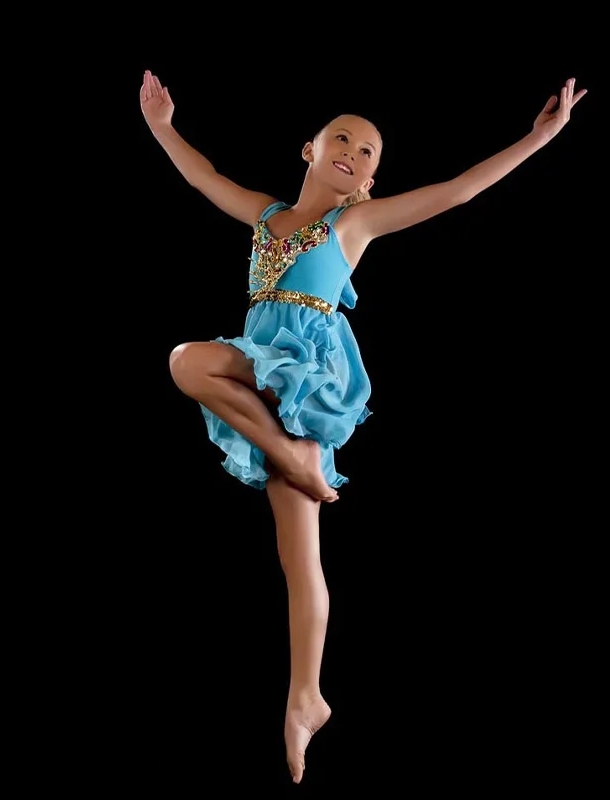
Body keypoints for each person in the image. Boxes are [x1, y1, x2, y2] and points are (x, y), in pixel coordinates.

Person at [140, 69, 586, 783]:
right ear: (310, 150)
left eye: (368, 150)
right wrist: (163, 128)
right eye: (342, 139)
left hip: (306, 381)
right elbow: (204, 177)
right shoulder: (265, 214)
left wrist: (541, 137)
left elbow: (459, 190)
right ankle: (306, 690)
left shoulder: (353, 225)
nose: (353, 151)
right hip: (259, 373)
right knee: (199, 383)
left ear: (370, 179)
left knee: (201, 384)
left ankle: (303, 685)